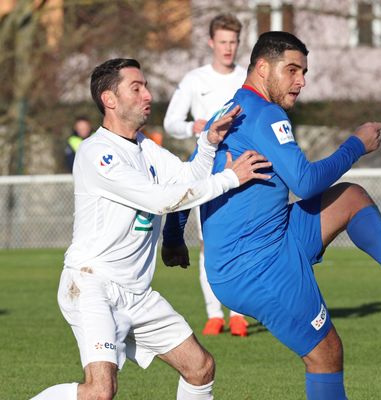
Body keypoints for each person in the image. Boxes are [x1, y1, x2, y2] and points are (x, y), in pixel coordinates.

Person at [163, 32, 381, 400]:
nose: (301, 81)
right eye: (292, 70)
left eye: (304, 72)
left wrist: (173, 238)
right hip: (254, 266)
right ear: (262, 67)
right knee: (325, 354)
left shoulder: (228, 110)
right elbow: (305, 182)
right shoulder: (264, 114)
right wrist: (356, 144)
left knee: (351, 197)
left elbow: (191, 175)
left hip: (274, 237)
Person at [31, 58, 270, 400]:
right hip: (92, 284)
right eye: (136, 87)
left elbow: (188, 179)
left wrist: (208, 143)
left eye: (145, 85)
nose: (148, 94)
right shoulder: (98, 152)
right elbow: (162, 200)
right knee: (100, 392)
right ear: (109, 100)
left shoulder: (144, 147)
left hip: (136, 293)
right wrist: (231, 178)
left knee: (200, 368)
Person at [162, 13, 249, 337]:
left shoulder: (246, 78)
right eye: (223, 41)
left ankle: (238, 313)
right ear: (211, 42)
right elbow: (172, 122)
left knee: (240, 240)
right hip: (205, 165)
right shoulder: (195, 79)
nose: (228, 48)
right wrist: (193, 126)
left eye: (233, 42)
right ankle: (214, 314)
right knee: (208, 240)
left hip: (241, 165)